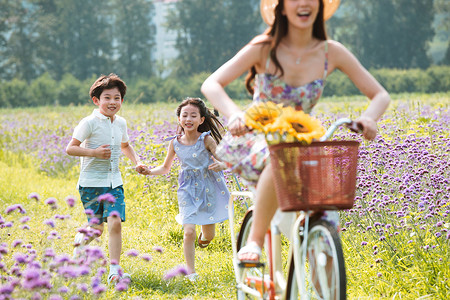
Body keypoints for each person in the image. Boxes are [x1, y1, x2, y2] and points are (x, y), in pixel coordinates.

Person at [201, 0, 391, 263]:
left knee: (324, 219)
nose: (304, 3)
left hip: (302, 139)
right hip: (259, 137)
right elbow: (212, 84)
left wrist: (369, 119)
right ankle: (255, 241)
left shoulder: (330, 52)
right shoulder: (264, 48)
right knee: (277, 157)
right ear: (281, 7)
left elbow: (380, 94)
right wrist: (235, 115)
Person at [66, 73, 147, 285]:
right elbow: (70, 148)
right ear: (96, 100)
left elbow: (125, 145)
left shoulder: (121, 123)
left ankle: (114, 270)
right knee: (97, 229)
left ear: (122, 100)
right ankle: (80, 242)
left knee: (115, 223)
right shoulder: (89, 122)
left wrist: (136, 162)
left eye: (117, 98)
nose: (112, 102)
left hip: (114, 183)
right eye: (107, 98)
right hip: (90, 184)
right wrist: (93, 153)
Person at [140, 97, 230, 281]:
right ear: (179, 119)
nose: (188, 119)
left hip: (208, 189)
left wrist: (221, 165)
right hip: (187, 191)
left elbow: (224, 159)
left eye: (193, 115)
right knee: (189, 231)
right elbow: (165, 168)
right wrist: (149, 171)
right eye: (185, 115)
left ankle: (204, 241)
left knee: (209, 235)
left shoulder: (206, 139)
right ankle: (191, 272)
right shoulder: (174, 143)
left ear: (201, 120)